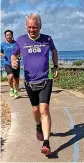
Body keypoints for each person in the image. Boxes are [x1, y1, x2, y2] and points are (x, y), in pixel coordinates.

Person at [11, 13, 58, 156]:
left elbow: (54, 51)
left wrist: (56, 65)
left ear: (40, 27)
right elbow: (14, 54)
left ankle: (46, 143)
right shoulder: (20, 40)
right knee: (36, 111)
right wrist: (14, 60)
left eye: (35, 27)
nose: (32, 30)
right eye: (30, 27)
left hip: (45, 80)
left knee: (44, 110)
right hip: (30, 82)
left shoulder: (47, 39)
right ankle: (38, 126)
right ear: (26, 26)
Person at [1, 30, 20, 98]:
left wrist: (19, 55)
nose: (9, 36)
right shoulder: (2, 44)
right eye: (7, 35)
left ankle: (16, 91)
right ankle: (11, 88)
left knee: (17, 79)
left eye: (10, 35)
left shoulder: (16, 43)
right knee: (11, 76)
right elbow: (0, 52)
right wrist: (2, 54)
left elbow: (20, 51)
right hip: (7, 63)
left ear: (12, 36)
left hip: (16, 63)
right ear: (5, 36)